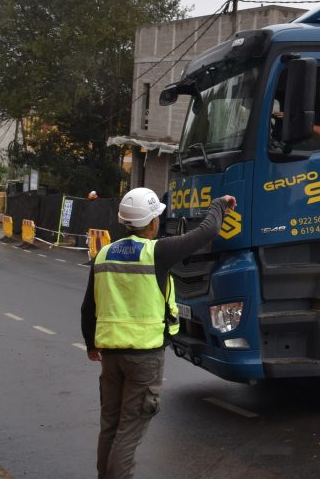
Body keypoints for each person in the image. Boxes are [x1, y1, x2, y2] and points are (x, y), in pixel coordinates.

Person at [80, 187, 236, 479]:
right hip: (144, 357)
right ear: (152, 222)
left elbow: (89, 306)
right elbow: (206, 232)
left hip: (110, 356)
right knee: (129, 430)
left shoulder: (103, 254)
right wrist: (219, 204)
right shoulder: (157, 252)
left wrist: (91, 343)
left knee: (110, 427)